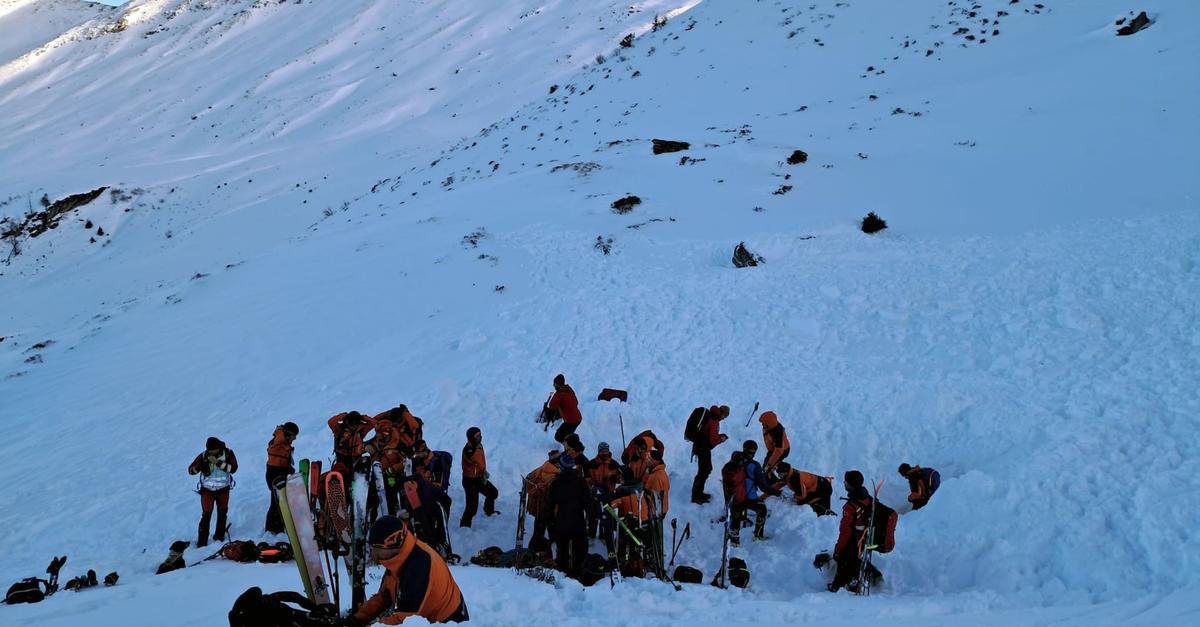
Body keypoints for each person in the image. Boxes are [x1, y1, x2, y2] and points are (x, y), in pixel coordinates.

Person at [348, 516, 468, 625]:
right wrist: (358, 618)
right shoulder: (400, 557)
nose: (373, 554)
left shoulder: (418, 565)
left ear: (394, 544)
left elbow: (404, 620)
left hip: (450, 622)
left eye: (378, 549)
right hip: (426, 618)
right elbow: (384, 597)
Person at [545, 454, 597, 579]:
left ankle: (563, 579)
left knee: (562, 555)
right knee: (581, 555)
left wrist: (551, 528)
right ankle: (579, 577)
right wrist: (592, 526)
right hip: (578, 524)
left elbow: (549, 508)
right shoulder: (581, 482)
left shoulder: (555, 484)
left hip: (561, 524)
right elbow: (589, 505)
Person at [829, 470, 876, 593]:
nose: (844, 482)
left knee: (843, 560)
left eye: (846, 481)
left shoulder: (850, 506)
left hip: (853, 539)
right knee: (856, 560)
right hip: (865, 537)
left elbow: (845, 531)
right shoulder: (867, 497)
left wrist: (838, 551)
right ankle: (854, 581)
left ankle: (836, 588)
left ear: (850, 484)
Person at [188, 437, 238, 547]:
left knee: (222, 513)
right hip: (207, 491)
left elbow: (233, 469)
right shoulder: (203, 455)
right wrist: (199, 467)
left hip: (223, 490)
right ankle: (202, 543)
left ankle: (219, 537)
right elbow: (190, 470)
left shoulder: (228, 453)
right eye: (209, 450)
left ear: (218, 448)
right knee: (206, 515)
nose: (210, 452)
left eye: (212, 450)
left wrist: (218, 463)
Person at [523, 450, 563, 554]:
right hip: (548, 508)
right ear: (556, 460)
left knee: (538, 532)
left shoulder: (543, 467)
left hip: (539, 508)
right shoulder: (554, 475)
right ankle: (554, 555)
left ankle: (532, 552)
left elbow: (528, 477)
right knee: (552, 533)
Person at [459, 427, 498, 527]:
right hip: (470, 481)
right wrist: (483, 472)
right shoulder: (470, 451)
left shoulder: (477, 445)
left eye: (480, 435)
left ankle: (488, 511)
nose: (480, 438)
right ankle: (464, 525)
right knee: (471, 508)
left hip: (478, 478)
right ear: (471, 438)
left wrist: (482, 473)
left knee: (492, 493)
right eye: (477, 436)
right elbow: (477, 462)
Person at [690, 405, 729, 503]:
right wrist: (721, 439)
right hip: (703, 448)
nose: (724, 419)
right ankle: (696, 496)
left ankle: (698, 493)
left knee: (705, 470)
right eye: (725, 417)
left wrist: (718, 436)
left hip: (699, 446)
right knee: (704, 471)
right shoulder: (715, 421)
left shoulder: (710, 415)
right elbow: (713, 441)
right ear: (723, 414)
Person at [265, 422, 299, 534]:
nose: (294, 439)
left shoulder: (284, 443)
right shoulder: (277, 441)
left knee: (280, 501)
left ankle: (279, 526)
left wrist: (288, 468)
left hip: (280, 473)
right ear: (288, 434)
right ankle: (272, 529)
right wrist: (281, 430)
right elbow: (279, 438)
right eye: (294, 436)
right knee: (276, 502)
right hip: (274, 474)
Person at [546, 374, 582, 443]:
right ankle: (571, 448)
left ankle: (571, 450)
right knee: (567, 435)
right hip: (578, 418)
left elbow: (551, 406)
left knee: (559, 437)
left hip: (571, 421)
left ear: (557, 385)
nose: (554, 385)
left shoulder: (559, 394)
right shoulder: (569, 388)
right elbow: (576, 402)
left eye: (554, 384)